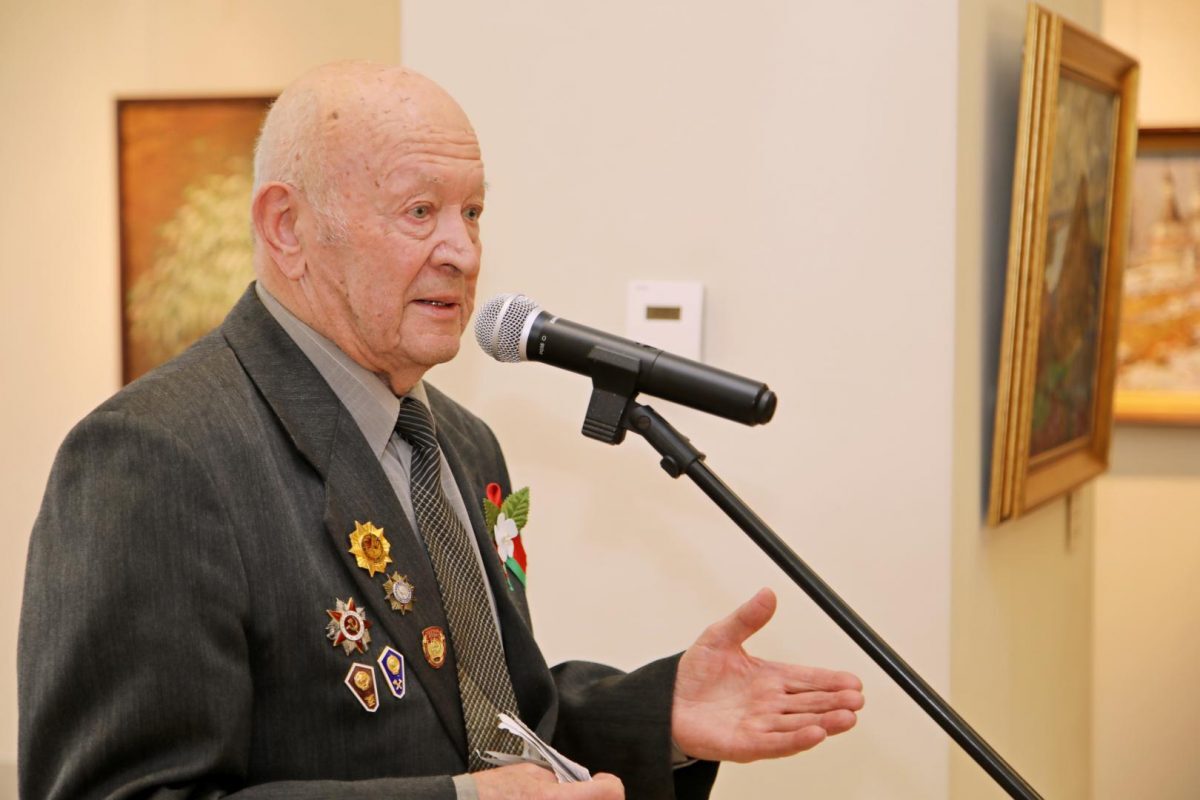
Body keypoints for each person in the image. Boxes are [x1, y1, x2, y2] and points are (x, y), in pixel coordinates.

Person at [18, 61, 864, 799]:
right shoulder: (156, 456)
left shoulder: (459, 442)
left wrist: (657, 712)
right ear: (287, 227)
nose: (462, 251)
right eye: (420, 211)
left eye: (474, 212)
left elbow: (488, 723)